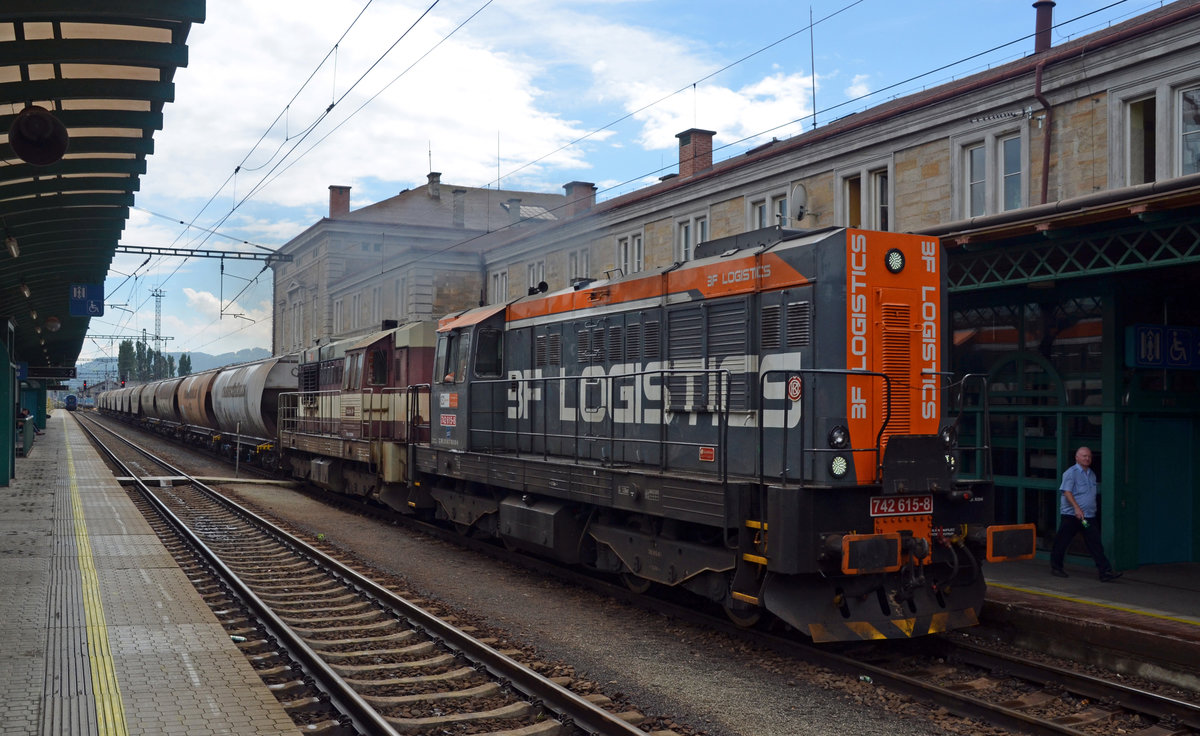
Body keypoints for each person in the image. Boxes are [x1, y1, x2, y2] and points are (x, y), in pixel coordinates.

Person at [1050, 446, 1121, 581]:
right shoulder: (1071, 473)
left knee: (1095, 543)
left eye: (1089, 456)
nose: (1087, 458)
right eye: (1084, 456)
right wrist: (1076, 508)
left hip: (1087, 517)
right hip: (1072, 516)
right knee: (1062, 541)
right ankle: (1056, 567)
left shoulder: (1092, 474)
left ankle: (1105, 572)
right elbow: (1066, 492)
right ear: (1077, 458)